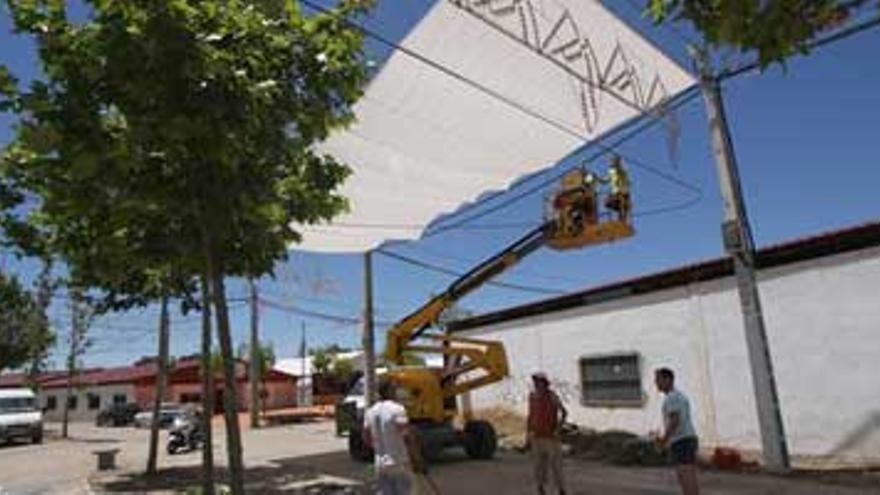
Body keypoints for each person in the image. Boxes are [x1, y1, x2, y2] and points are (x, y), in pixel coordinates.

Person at [363, 378, 421, 495]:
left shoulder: (370, 411)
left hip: (380, 463)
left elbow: (366, 437)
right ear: (390, 391)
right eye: (395, 389)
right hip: (398, 461)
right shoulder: (397, 409)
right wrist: (416, 458)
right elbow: (406, 436)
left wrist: (379, 449)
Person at [655, 367, 700, 495]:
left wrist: (663, 440)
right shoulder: (680, 395)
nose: (656, 383)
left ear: (668, 379)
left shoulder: (672, 398)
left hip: (681, 441)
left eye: (658, 380)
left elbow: (675, 421)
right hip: (688, 438)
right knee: (688, 475)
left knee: (685, 476)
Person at [526, 372, 568, 495]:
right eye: (535, 382)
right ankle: (541, 489)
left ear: (544, 383)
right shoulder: (532, 396)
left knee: (556, 466)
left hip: (551, 437)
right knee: (539, 466)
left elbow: (564, 412)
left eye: (539, 382)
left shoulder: (552, 396)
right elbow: (530, 416)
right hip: (536, 436)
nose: (537, 384)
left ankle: (561, 490)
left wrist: (558, 429)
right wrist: (528, 434)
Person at [604, 155, 631, 222]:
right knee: (607, 202)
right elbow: (606, 180)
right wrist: (597, 178)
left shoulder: (622, 170)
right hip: (614, 191)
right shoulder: (611, 171)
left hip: (622, 190)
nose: (611, 163)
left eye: (612, 161)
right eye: (611, 161)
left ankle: (623, 219)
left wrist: (618, 164)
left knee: (622, 204)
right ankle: (618, 218)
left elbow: (626, 179)